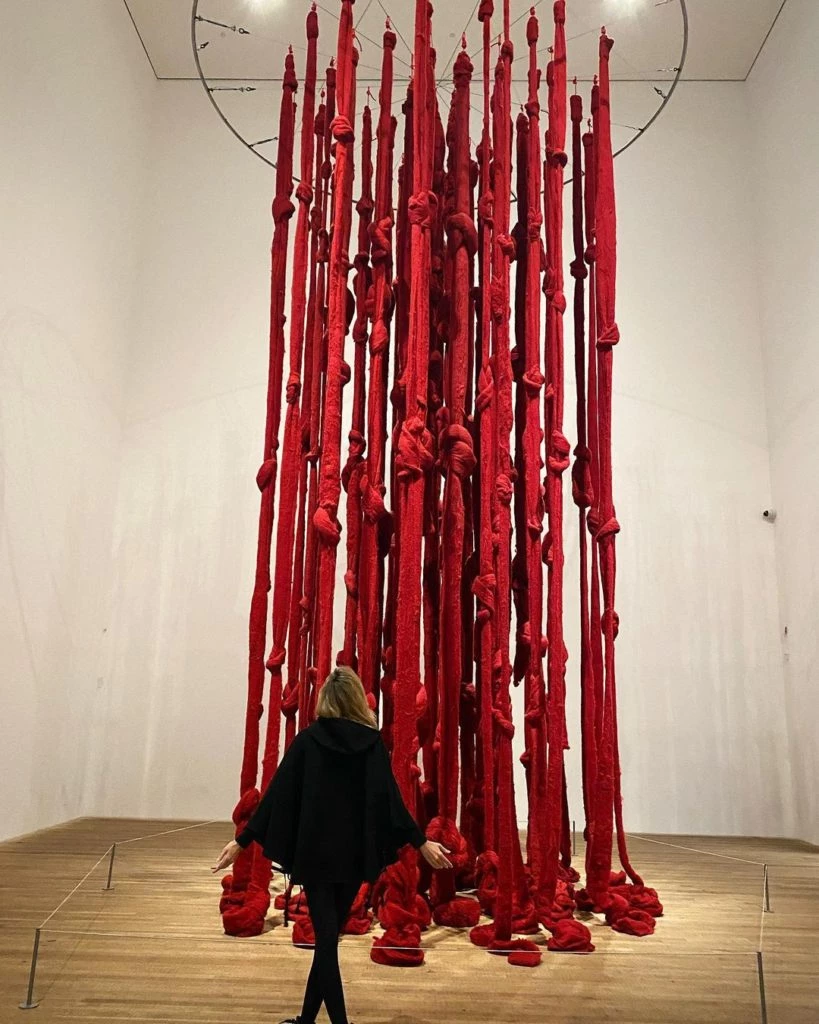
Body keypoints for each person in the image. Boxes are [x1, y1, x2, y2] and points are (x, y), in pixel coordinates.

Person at [212, 665, 452, 1024]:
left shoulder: (308, 741)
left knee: (326, 943)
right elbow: (391, 801)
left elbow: (277, 796)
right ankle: (307, 1021)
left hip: (315, 856)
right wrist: (420, 843)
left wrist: (242, 841)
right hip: (354, 857)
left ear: (326, 699)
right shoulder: (370, 744)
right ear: (356, 700)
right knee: (327, 940)